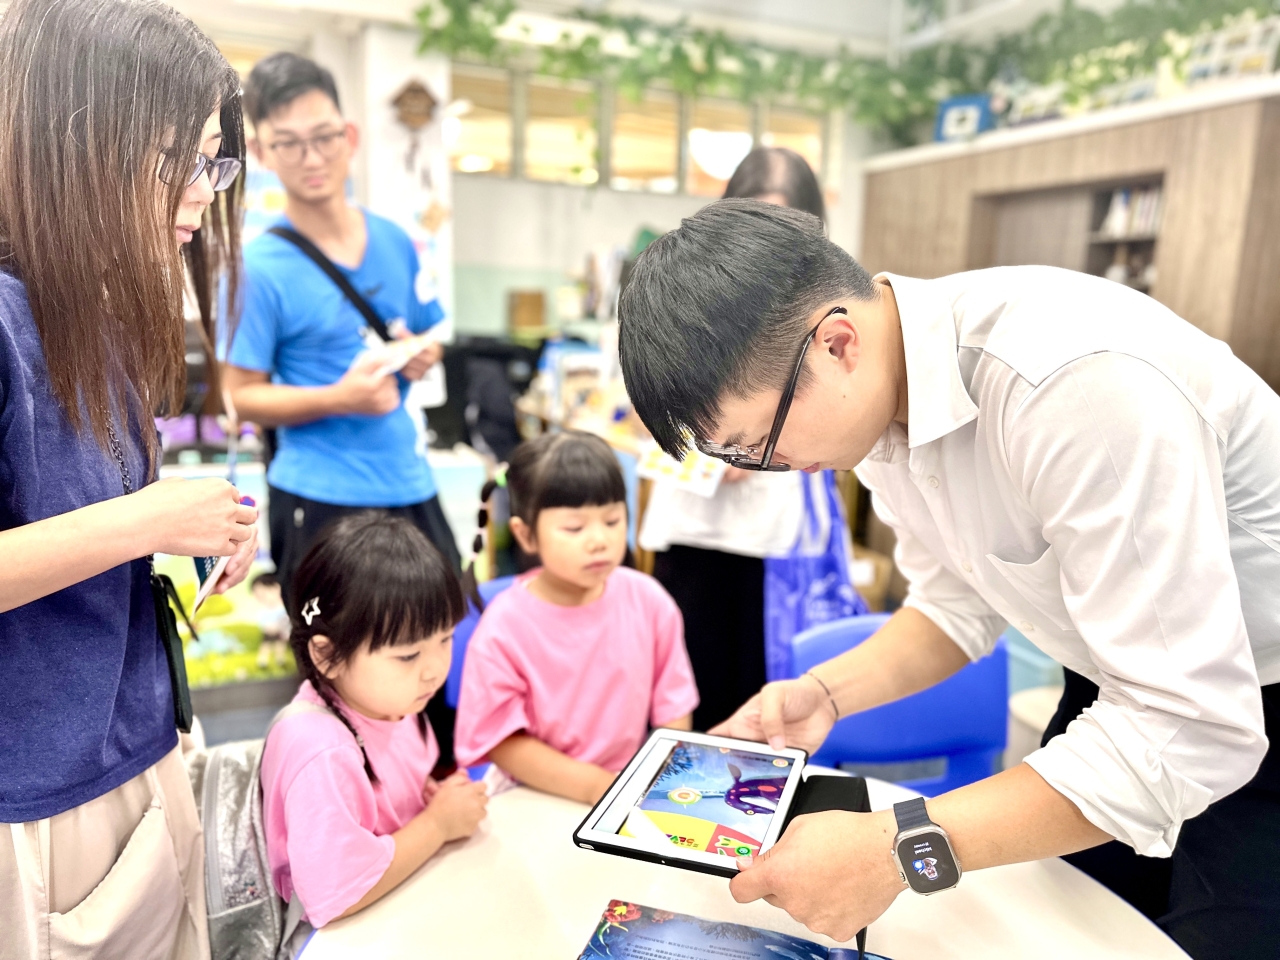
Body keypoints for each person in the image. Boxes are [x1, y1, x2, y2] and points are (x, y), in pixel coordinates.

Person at [617, 199, 1280, 959]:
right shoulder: (876, 409)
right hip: (1122, 683)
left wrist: (897, 849)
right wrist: (826, 695)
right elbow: (956, 604)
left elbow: (1189, 722)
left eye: (757, 443)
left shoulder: (1072, 386)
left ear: (837, 344)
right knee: (1070, 926)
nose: (771, 468)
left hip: (1239, 697)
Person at [0, 2, 258, 957]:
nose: (200, 194)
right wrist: (146, 519)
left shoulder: (90, 310)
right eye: (174, 161)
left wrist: (192, 530)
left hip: (136, 747)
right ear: (71, 144)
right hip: (39, 795)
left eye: (212, 162)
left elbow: (83, 516)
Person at [223, 51, 460, 597]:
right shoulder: (256, 269)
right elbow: (238, 398)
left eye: (324, 137)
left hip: (410, 480)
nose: (312, 158)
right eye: (288, 143)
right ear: (261, 151)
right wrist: (340, 398)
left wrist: (422, 354)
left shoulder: (396, 241)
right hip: (317, 496)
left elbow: (428, 335)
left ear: (349, 136)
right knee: (335, 647)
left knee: (440, 634)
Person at [641, 147, 820, 730]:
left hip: (764, 536)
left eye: (786, 222)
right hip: (690, 521)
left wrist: (764, 449)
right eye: (756, 216)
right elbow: (644, 398)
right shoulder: (686, 290)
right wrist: (713, 442)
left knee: (754, 688)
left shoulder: (823, 299)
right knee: (683, 685)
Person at [260, 513, 488, 930]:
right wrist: (437, 824)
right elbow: (338, 895)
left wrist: (427, 796)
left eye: (445, 639)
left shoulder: (392, 701)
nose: (434, 670)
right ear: (326, 655)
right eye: (407, 655)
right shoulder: (321, 751)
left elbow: (391, 789)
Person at [454, 431, 700, 804]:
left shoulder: (649, 600)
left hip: (626, 787)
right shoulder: (505, 626)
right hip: (534, 791)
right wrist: (596, 787)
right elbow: (502, 742)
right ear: (526, 535)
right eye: (574, 528)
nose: (599, 540)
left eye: (612, 520)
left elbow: (674, 709)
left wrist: (659, 782)